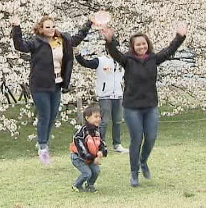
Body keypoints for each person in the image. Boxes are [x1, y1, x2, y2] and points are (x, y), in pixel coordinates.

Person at [101, 22, 187, 187]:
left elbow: (170, 50)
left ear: (148, 44)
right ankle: (134, 173)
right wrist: (109, 40)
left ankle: (143, 161)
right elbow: (114, 52)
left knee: (151, 137)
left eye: (144, 43)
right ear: (133, 47)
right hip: (132, 106)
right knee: (136, 139)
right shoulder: (127, 60)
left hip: (150, 106)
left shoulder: (153, 59)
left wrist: (179, 36)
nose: (141, 46)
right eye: (138, 44)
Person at [11, 14, 95, 164]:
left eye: (52, 26)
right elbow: (19, 45)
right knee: (45, 114)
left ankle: (44, 143)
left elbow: (77, 38)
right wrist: (16, 27)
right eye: (47, 27)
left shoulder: (62, 41)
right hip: (40, 84)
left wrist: (89, 23)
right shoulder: (36, 43)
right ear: (41, 29)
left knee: (53, 115)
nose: (51, 29)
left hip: (56, 83)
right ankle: (43, 148)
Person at [75, 50, 129, 153]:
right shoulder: (100, 61)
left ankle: (117, 144)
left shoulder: (122, 61)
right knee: (103, 121)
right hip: (105, 96)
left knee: (117, 121)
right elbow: (86, 63)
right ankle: (100, 144)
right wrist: (78, 55)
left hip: (118, 95)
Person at [70, 105, 107, 192]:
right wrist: (93, 158)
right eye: (96, 116)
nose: (98, 119)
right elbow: (81, 150)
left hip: (90, 158)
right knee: (87, 173)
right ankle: (76, 185)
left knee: (96, 171)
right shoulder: (81, 132)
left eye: (99, 117)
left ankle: (89, 185)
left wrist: (102, 152)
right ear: (87, 118)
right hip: (78, 157)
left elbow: (102, 144)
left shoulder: (97, 131)